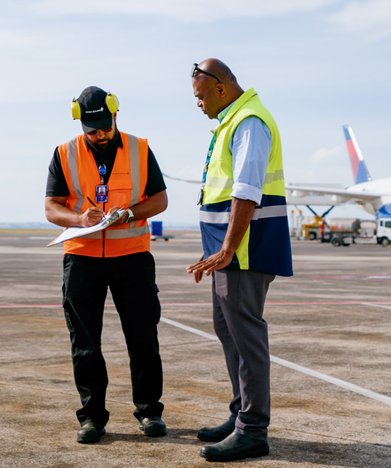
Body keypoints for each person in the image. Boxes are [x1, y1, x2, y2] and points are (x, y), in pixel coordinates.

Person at [45, 86, 169, 444]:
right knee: (84, 342)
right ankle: (92, 418)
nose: (98, 134)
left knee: (143, 337)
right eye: (91, 129)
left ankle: (149, 412)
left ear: (116, 115)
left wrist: (130, 213)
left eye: (103, 127)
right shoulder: (64, 153)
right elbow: (51, 207)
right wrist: (80, 219)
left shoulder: (139, 149)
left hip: (131, 257)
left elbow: (159, 199)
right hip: (82, 258)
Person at [187, 59, 293, 462]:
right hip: (227, 251)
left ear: (219, 87)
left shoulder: (249, 122)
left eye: (199, 96)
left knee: (246, 336)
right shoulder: (232, 122)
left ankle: (253, 430)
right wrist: (213, 249)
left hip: (246, 250)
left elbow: (246, 192)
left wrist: (228, 247)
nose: (197, 104)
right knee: (226, 329)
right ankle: (240, 413)